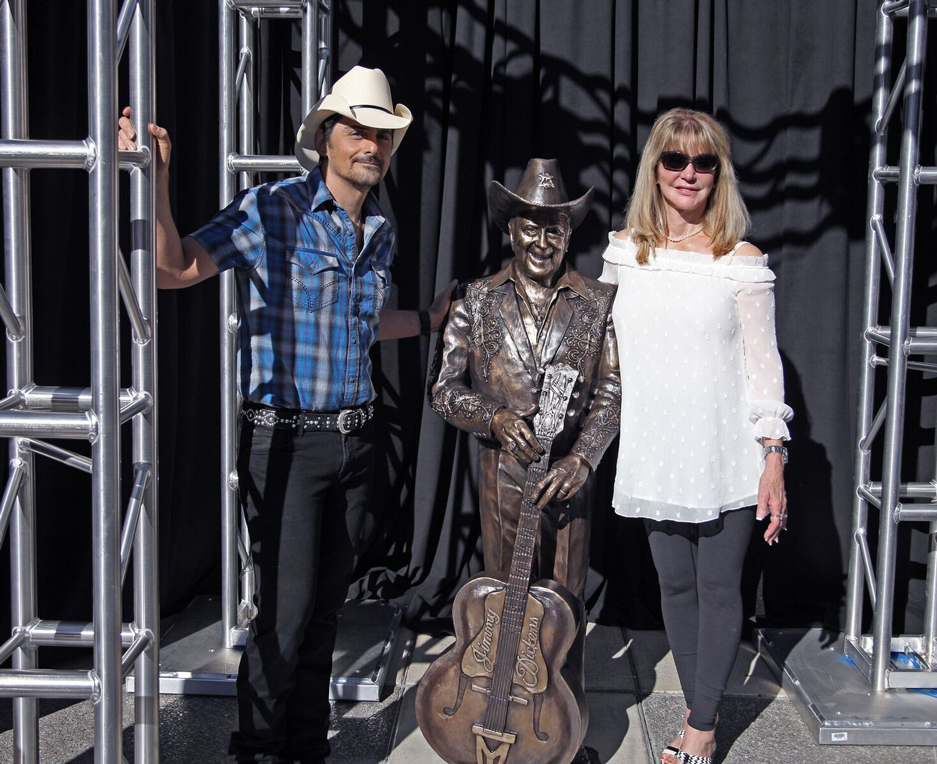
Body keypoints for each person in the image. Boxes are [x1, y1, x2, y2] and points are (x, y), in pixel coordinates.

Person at [118, 65, 455, 763]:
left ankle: (305, 749)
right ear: (326, 138)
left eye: (383, 134)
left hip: (355, 446)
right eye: (359, 130)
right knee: (284, 617)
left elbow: (358, 327)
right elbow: (173, 269)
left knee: (326, 612)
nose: (372, 145)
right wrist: (154, 180)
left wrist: (427, 318)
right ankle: (258, 751)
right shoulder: (272, 209)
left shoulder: (378, 232)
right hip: (288, 448)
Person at [599, 108, 792, 764]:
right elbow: (597, 349)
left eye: (703, 162)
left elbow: (764, 367)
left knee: (718, 588)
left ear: (719, 174)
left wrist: (774, 459)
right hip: (655, 450)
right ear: (655, 167)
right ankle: (696, 707)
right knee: (674, 588)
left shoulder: (740, 261)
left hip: (726, 452)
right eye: (675, 160)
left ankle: (702, 730)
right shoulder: (624, 251)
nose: (689, 173)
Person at [429, 157, 621, 650]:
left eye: (553, 230)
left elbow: (611, 391)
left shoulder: (597, 302)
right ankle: (507, 702)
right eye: (530, 229)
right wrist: (492, 417)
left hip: (569, 480)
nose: (542, 242)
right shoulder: (475, 301)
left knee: (566, 606)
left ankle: (562, 708)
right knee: (507, 605)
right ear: (511, 231)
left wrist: (584, 457)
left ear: (569, 235)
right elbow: (444, 389)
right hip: (503, 477)